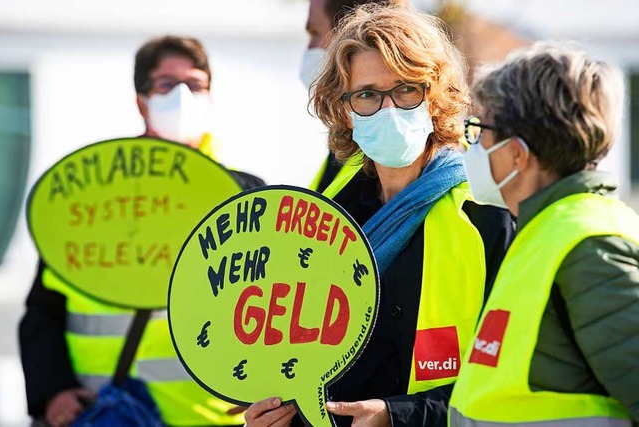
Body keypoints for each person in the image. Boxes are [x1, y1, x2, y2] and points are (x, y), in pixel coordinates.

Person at [245, 5, 514, 426]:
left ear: (435, 94)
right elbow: (301, 356)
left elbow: (506, 379)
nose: (389, 109)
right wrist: (278, 410)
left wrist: (396, 416)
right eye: (368, 94)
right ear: (344, 109)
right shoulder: (327, 209)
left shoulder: (486, 215)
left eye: (406, 89)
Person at [19, 35, 262, 427]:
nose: (182, 96)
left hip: (208, 419)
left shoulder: (245, 195)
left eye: (196, 84)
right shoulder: (94, 194)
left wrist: (268, 384)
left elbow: (273, 305)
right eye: (166, 84)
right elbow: (44, 308)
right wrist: (52, 392)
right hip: (98, 412)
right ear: (141, 100)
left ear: (211, 96)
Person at [449, 43, 639, 425]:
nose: (471, 144)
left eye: (480, 130)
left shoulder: (589, 245)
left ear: (517, 155)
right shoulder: (545, 233)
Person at [301, 0, 408, 194]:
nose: (309, 48)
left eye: (315, 33)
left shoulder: (386, 153)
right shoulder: (349, 152)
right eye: (367, 94)